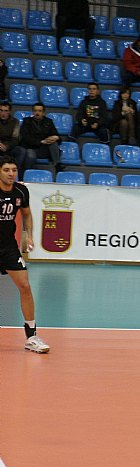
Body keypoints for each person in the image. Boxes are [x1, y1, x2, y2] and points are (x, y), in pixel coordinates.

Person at [0, 157, 50, 354]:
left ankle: (32, 337)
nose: (11, 173)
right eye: (6, 170)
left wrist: (28, 235)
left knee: (25, 286)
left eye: (14, 169)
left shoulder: (21, 191)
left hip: (8, 248)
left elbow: (27, 214)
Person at [19, 103, 62, 173]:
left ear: (43, 112)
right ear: (33, 112)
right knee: (30, 155)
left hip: (45, 149)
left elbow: (58, 137)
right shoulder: (27, 121)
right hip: (31, 148)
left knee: (54, 143)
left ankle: (57, 165)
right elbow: (25, 138)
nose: (37, 113)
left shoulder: (49, 121)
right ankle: (26, 173)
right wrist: (41, 141)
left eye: (39, 111)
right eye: (35, 111)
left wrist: (56, 137)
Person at [0, 102, 28, 179]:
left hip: (9, 146)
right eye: (1, 110)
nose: (3, 113)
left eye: (5, 111)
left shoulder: (15, 122)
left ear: (9, 111)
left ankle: (15, 172)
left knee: (21, 151)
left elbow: (15, 138)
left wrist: (7, 146)